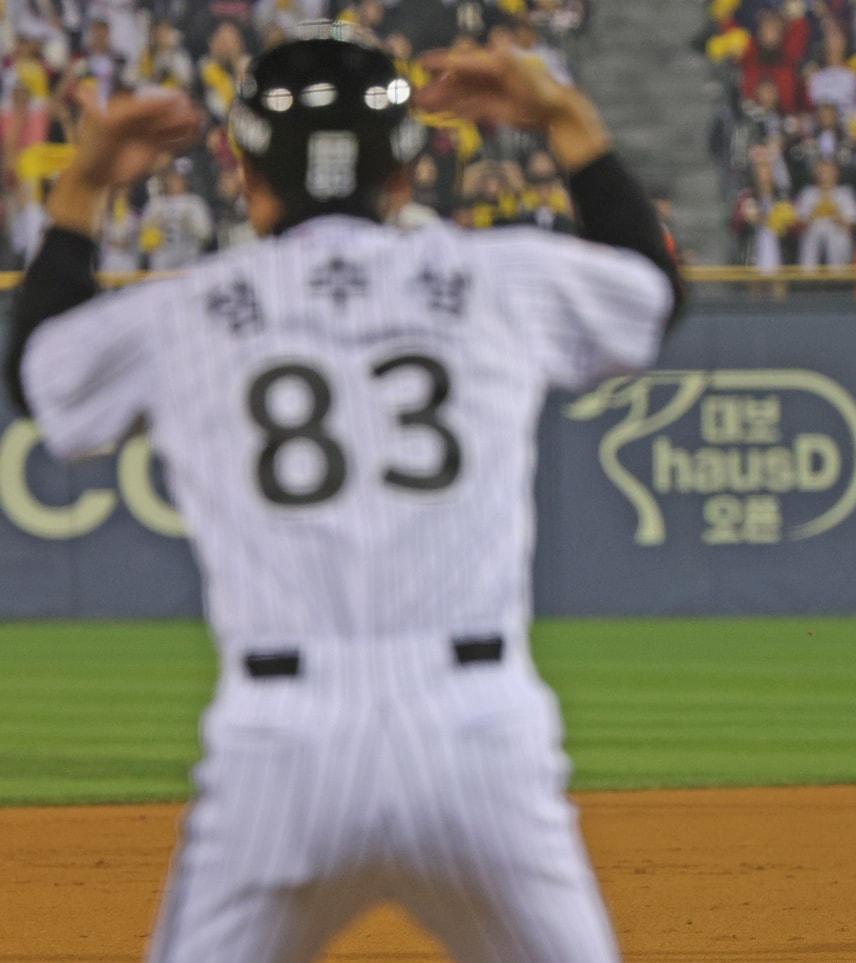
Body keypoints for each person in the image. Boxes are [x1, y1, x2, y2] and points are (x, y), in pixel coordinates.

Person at [4, 21, 681, 961]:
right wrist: (562, 115)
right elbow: (652, 291)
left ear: (246, 173)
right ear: (404, 175)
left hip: (280, 748)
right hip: (478, 733)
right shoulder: (497, 281)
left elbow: (46, 374)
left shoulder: (190, 311)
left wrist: (84, 185)